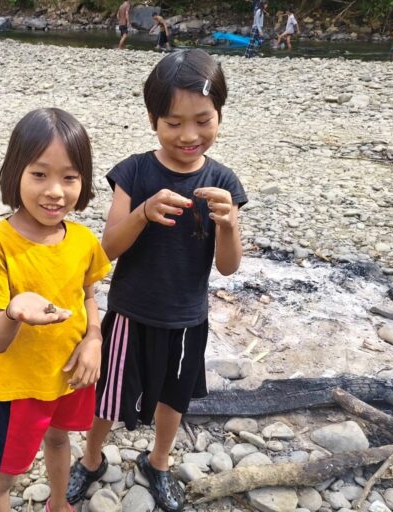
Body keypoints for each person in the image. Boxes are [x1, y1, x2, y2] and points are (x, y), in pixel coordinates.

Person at [66, 49, 247, 512]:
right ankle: (90, 460)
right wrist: (144, 211)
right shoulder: (135, 172)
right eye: (173, 123)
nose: (189, 135)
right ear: (153, 121)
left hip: (188, 318)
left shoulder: (223, 181)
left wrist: (227, 223)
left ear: (219, 115)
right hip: (131, 312)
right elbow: (107, 248)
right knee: (108, 397)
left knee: (174, 397)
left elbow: (228, 267)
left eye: (203, 120)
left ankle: (159, 462)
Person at [0, 108, 111, 512]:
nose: (56, 192)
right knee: (3, 477)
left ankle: (58, 504)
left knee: (60, 440)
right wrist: (13, 311)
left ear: (85, 180)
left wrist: (94, 339)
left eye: (70, 177)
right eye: (40, 174)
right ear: (16, 174)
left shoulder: (81, 240)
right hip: (21, 390)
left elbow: (89, 295)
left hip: (69, 376)